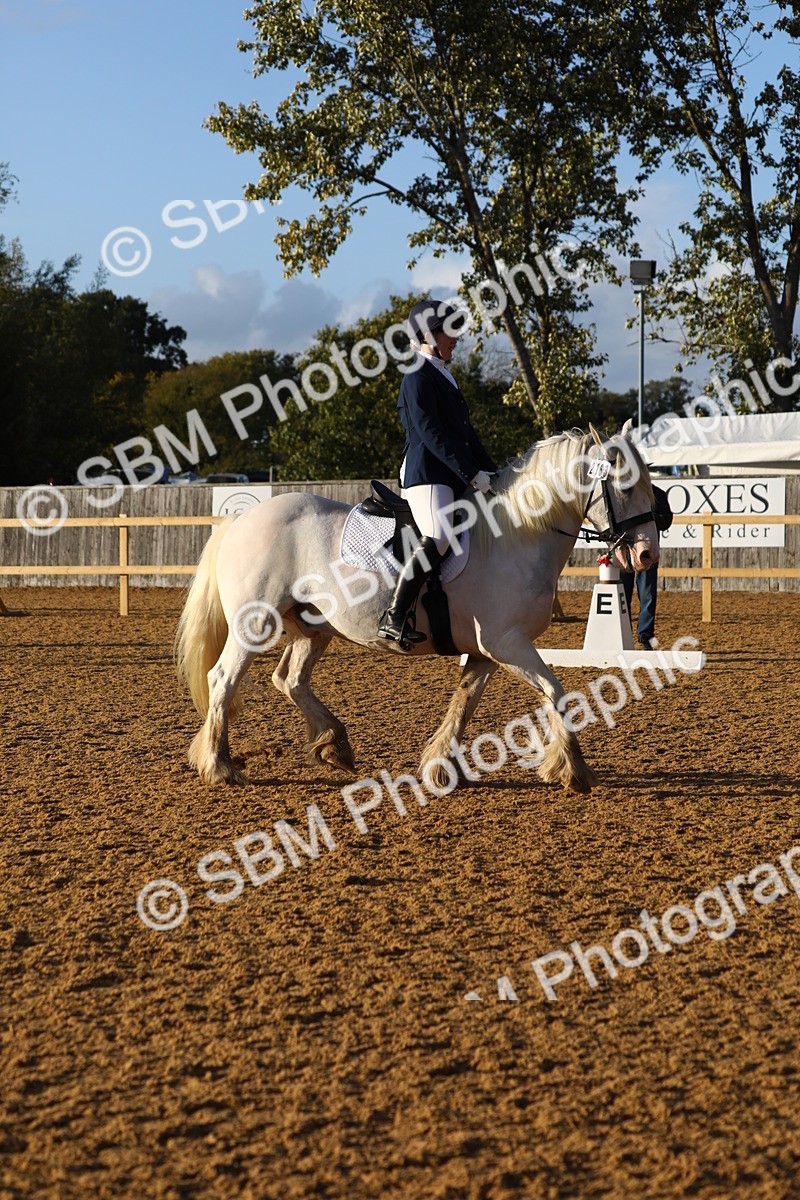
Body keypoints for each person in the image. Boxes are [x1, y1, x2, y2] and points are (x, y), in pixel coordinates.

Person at [377, 298, 498, 648]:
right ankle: (394, 616)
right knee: (439, 535)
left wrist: (495, 471)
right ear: (429, 334)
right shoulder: (417, 375)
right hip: (428, 475)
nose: (455, 338)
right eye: (450, 331)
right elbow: (432, 435)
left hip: (450, 474)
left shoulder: (443, 375)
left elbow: (466, 435)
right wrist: (470, 472)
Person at [622, 563, 658, 650]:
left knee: (648, 595)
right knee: (621, 595)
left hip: (646, 552)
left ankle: (646, 636)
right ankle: (623, 633)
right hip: (623, 550)